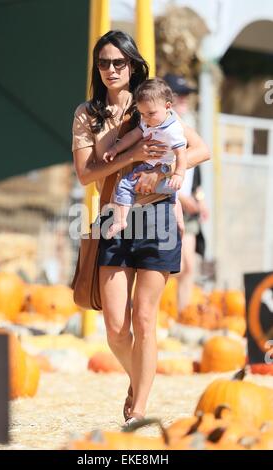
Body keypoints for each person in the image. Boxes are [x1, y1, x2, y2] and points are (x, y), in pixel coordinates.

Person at [72, 31, 210, 426]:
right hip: (113, 219)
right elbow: (86, 175)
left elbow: (199, 148)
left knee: (144, 320)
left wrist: (167, 170)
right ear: (97, 68)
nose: (111, 69)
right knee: (116, 327)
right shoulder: (88, 113)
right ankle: (139, 378)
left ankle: (139, 407)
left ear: (131, 64)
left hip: (157, 218)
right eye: (103, 63)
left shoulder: (149, 101)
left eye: (119, 62)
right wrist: (131, 154)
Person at [102, 77, 187, 239]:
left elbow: (181, 153)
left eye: (151, 113)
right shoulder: (148, 122)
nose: (146, 118)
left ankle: (120, 221)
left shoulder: (172, 129)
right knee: (171, 195)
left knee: (125, 184)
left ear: (167, 106)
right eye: (142, 114)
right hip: (154, 172)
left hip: (162, 171)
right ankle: (179, 221)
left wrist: (178, 174)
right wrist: (115, 148)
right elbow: (133, 135)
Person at [163, 74, 210, 311]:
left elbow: (195, 174)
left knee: (189, 267)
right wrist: (182, 198)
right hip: (168, 203)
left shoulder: (188, 127)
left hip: (188, 207)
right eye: (179, 94)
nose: (184, 99)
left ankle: (180, 317)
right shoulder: (161, 127)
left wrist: (200, 199)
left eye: (186, 95)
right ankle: (159, 310)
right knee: (173, 266)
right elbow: (157, 171)